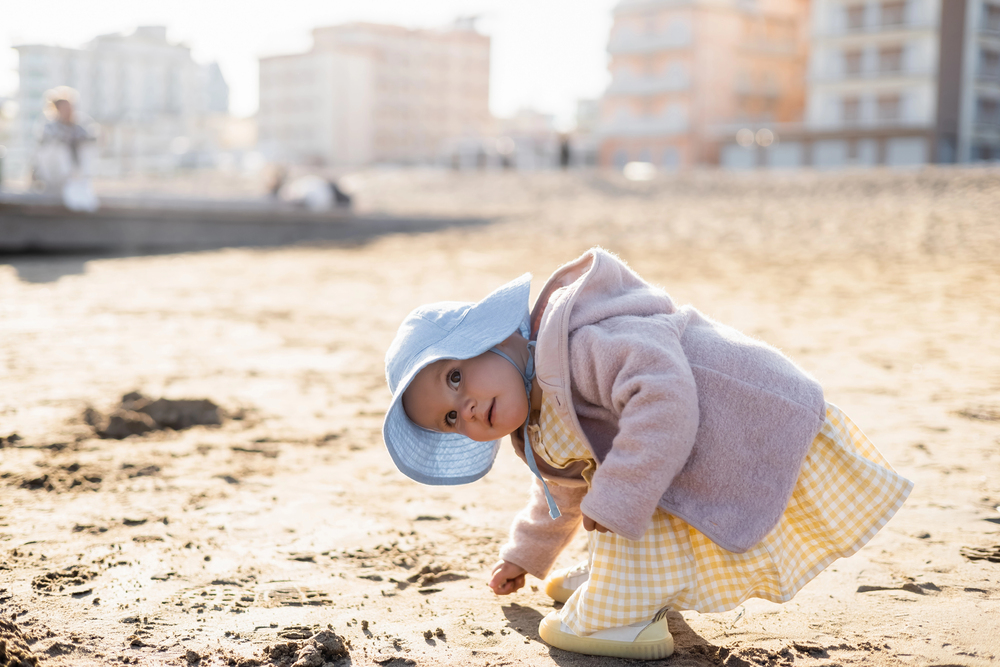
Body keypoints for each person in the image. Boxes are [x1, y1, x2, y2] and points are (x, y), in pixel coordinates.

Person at [382, 247, 912, 660]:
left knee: (622, 495)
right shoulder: (534, 420)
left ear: (492, 336)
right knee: (611, 493)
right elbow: (566, 491)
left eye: (455, 377)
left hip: (745, 418)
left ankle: (625, 612)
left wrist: (617, 497)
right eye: (450, 417)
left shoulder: (580, 343)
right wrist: (526, 555)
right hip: (684, 449)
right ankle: (633, 582)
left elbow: (664, 400)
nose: (467, 408)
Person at [33, 87, 99, 212]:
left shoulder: (80, 126)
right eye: (64, 108)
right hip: (56, 173)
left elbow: (92, 139)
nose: (68, 111)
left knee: (85, 148)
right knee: (60, 149)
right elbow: (41, 153)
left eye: (70, 107)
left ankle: (80, 179)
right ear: (57, 110)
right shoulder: (49, 127)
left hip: (77, 172)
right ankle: (70, 180)